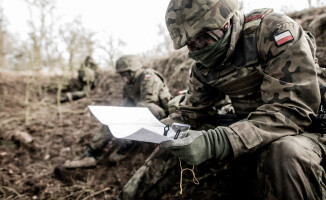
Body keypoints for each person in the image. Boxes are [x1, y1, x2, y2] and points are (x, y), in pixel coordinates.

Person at [118, 0, 326, 199]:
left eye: (200, 39)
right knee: (177, 137)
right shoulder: (203, 65)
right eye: (189, 44)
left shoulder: (272, 31)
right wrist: (157, 129)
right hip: (251, 128)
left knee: (285, 154)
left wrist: (217, 141)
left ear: (223, 22)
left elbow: (294, 109)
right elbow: (193, 113)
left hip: (309, 128)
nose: (195, 49)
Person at [63, 55, 173, 168]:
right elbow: (126, 106)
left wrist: (128, 117)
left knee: (147, 108)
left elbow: (148, 102)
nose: (123, 77)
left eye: (125, 74)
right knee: (111, 119)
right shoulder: (129, 85)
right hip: (143, 115)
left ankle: (129, 144)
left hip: (161, 117)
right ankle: (90, 154)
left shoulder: (148, 76)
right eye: (121, 74)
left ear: (132, 70)